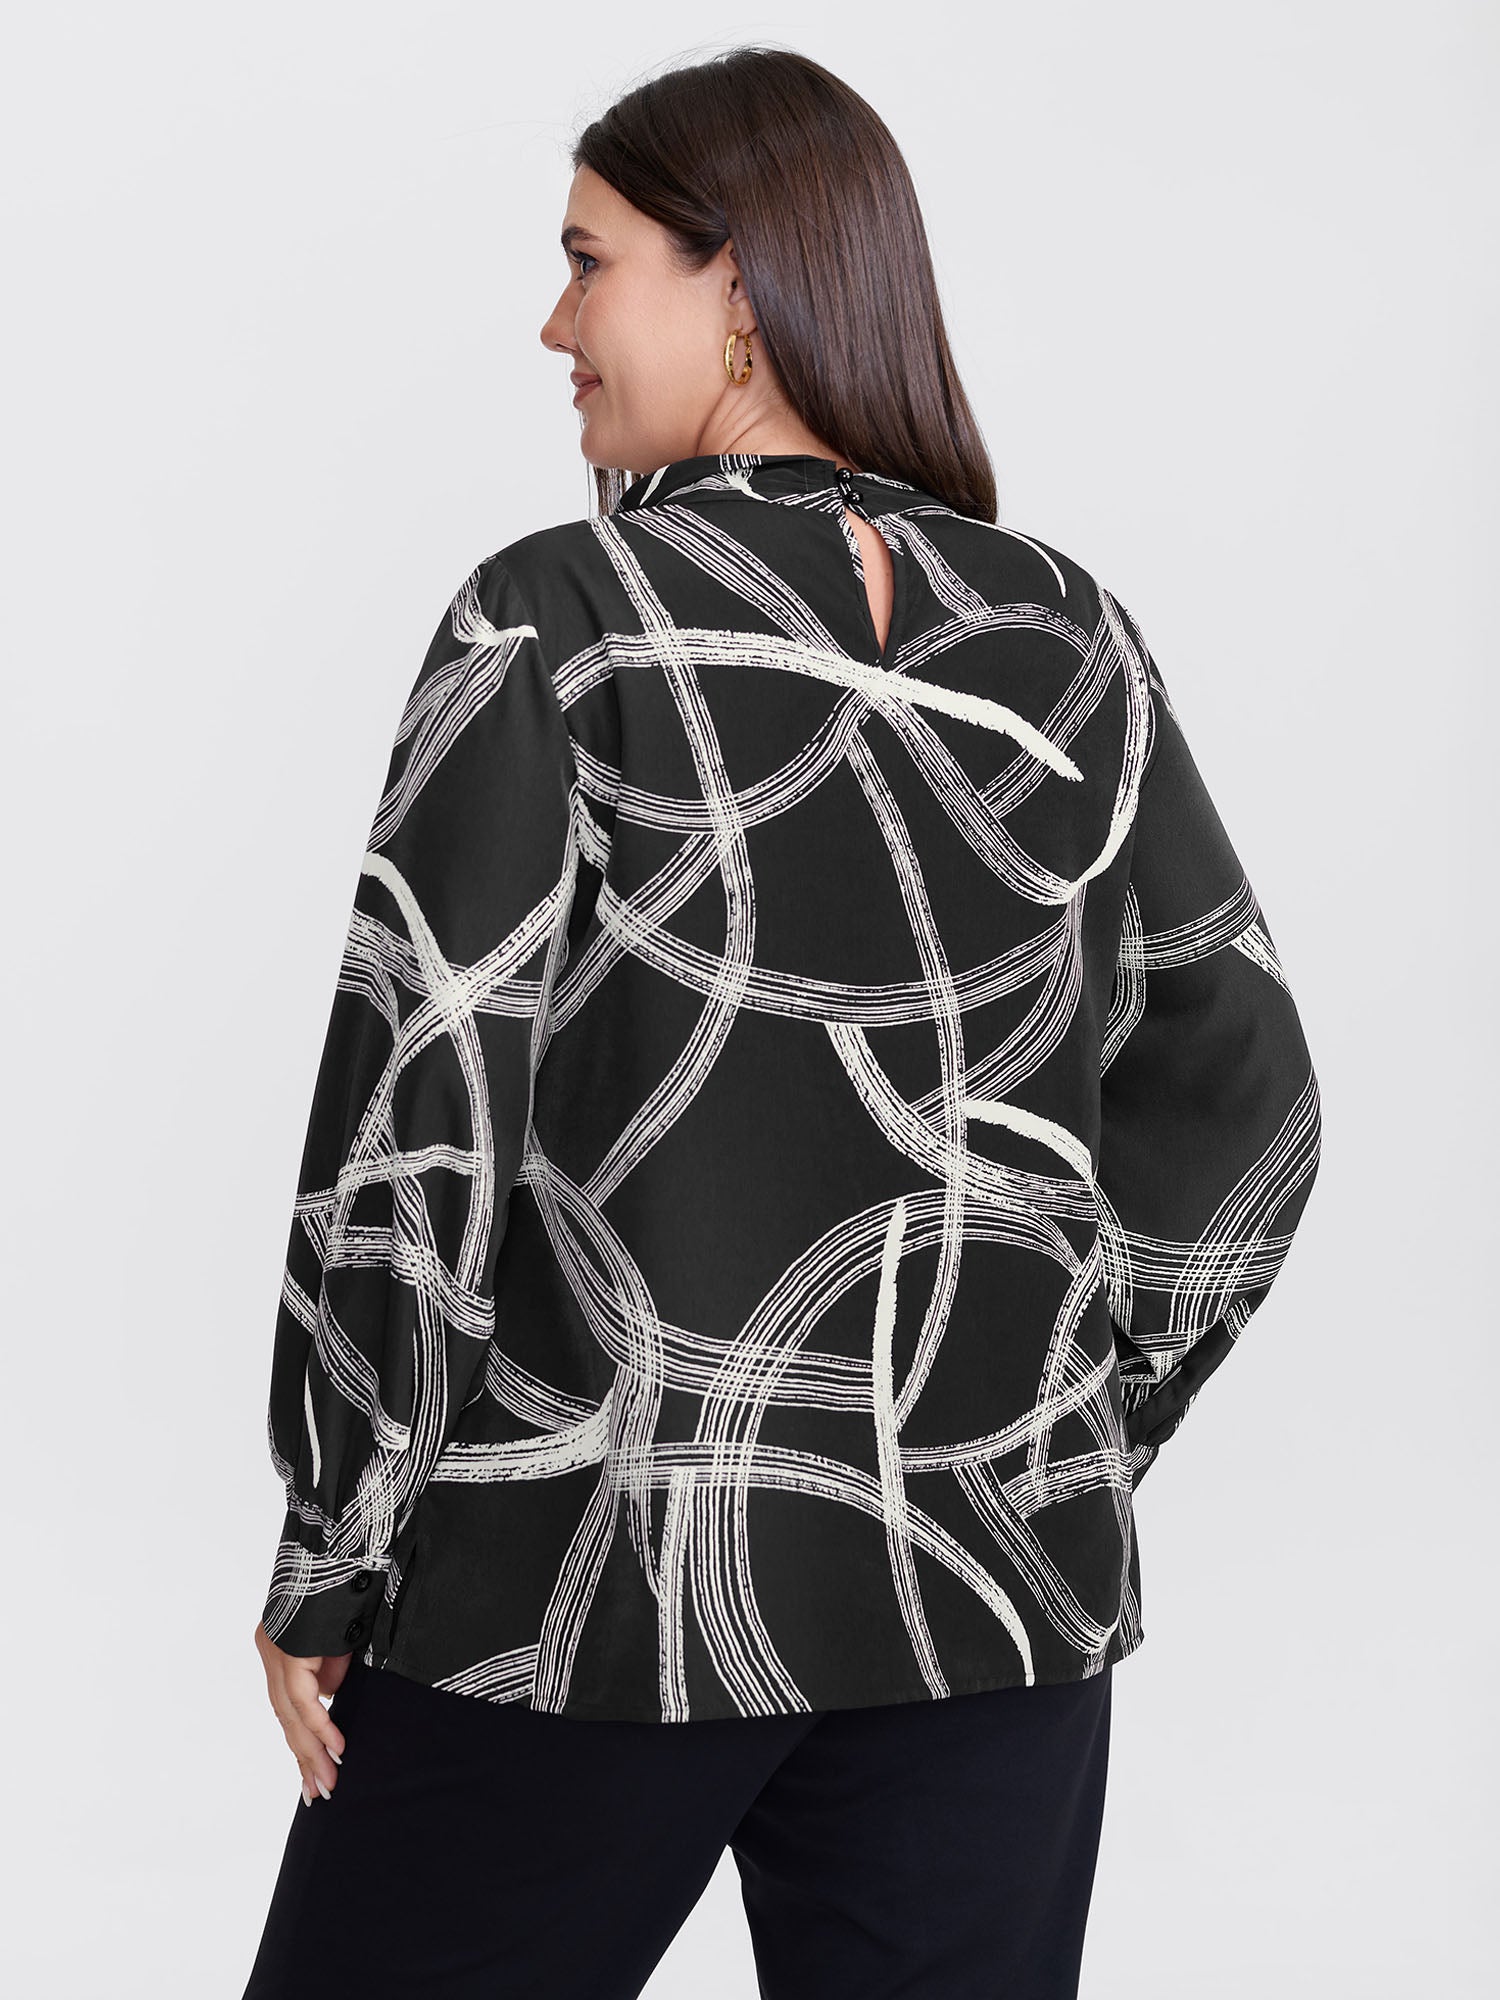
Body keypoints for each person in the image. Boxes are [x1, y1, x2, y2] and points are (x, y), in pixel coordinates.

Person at [241, 43, 1323, 2000]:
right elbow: (1248, 1092)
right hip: (991, 1605)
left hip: (586, 1587)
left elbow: (425, 1102)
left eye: (589, 262)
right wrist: (1053, 1431)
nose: (554, 324)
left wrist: (339, 1531)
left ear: (737, 285)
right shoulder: (1069, 638)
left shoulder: (555, 621)